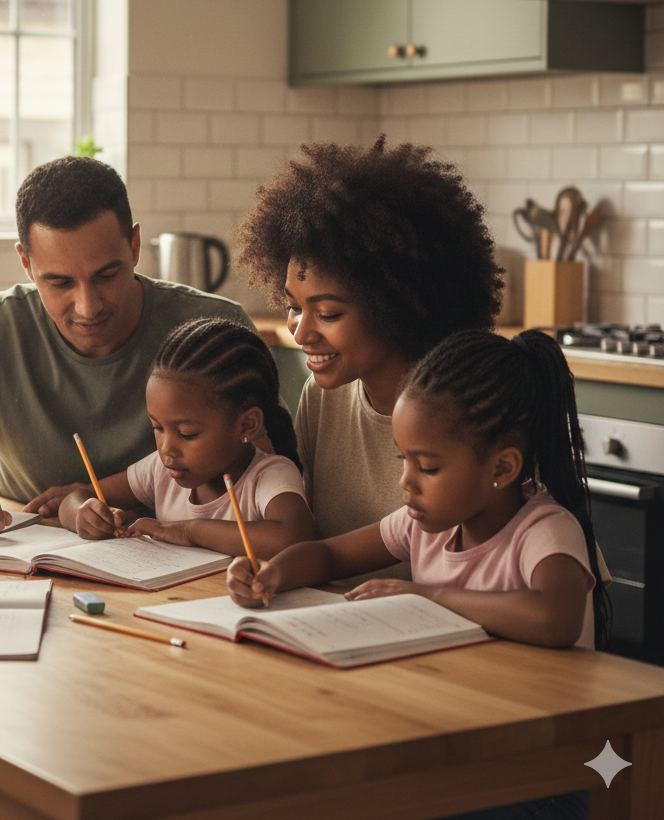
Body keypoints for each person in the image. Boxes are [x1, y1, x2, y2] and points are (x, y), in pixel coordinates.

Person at [228, 329, 609, 820]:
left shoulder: (544, 531)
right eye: (402, 459)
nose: (404, 481)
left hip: (545, 776)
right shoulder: (422, 525)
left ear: (502, 467)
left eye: (426, 466)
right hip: (468, 750)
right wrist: (271, 573)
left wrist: (427, 595)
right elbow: (328, 556)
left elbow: (554, 617)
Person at [0, 157, 254, 538]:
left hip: (190, 568)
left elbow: (275, 470)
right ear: (26, 263)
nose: (87, 306)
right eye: (59, 282)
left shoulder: (215, 330)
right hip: (30, 569)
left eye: (107, 275)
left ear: (134, 246)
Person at [234, 137, 503, 578]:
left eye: (328, 313)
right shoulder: (323, 399)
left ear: (396, 305)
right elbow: (312, 542)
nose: (300, 332)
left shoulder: (472, 410)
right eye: (293, 307)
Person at [58, 318, 313, 556]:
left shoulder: (269, 475)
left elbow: (294, 538)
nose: (167, 449)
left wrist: (185, 530)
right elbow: (75, 498)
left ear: (246, 425)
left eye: (186, 434)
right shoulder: (160, 471)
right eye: (157, 428)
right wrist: (84, 515)